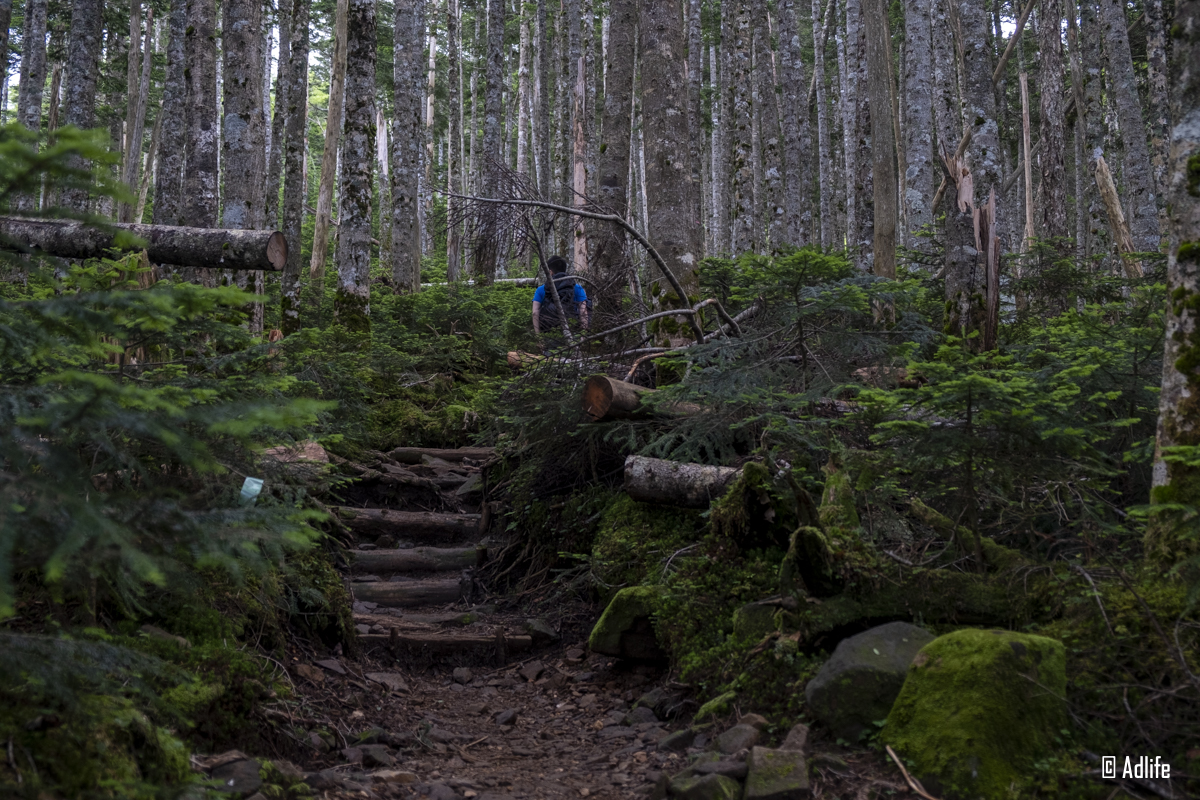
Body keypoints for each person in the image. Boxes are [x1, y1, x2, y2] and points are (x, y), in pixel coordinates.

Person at [532, 256, 589, 345]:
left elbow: (535, 313)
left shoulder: (541, 289)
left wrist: (539, 338)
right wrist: (583, 336)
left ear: (550, 272)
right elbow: (583, 312)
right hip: (572, 332)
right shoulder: (577, 288)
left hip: (549, 334)